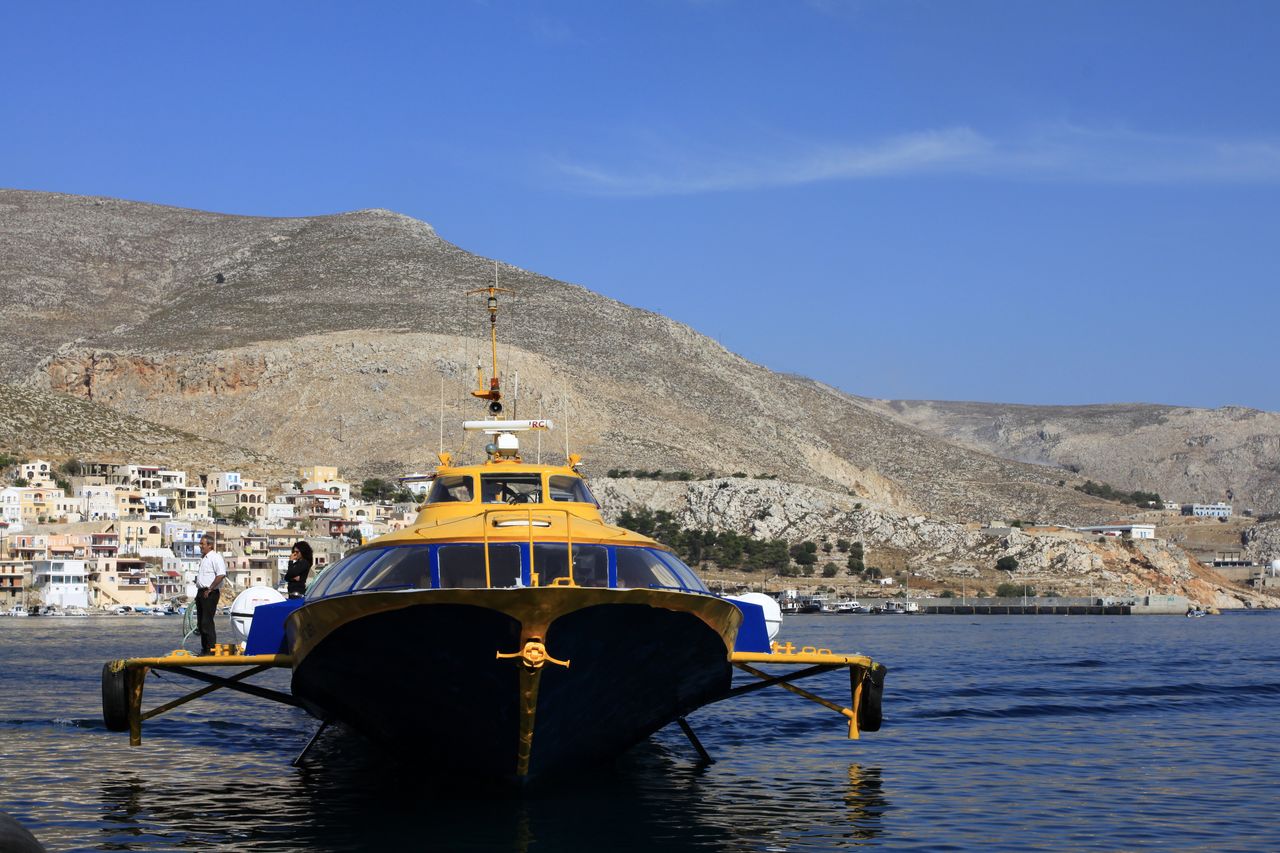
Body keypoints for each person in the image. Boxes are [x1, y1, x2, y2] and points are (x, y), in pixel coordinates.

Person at [196, 532, 227, 655]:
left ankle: (211, 650)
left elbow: (221, 574)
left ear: (210, 545)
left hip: (210, 593)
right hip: (201, 592)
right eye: (200, 544)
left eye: (202, 544)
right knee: (200, 622)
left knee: (206, 622)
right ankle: (205, 649)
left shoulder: (215, 557)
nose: (200, 546)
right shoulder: (204, 558)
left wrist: (210, 589)